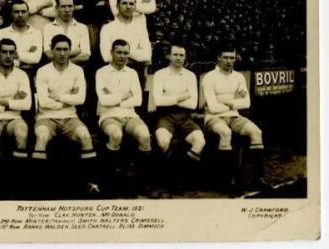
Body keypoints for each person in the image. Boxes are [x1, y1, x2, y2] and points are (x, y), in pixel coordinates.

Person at [33, 34, 99, 195]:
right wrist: (69, 99)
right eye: (58, 49)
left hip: (70, 117)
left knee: (85, 135)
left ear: (70, 51)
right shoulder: (43, 71)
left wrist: (58, 97)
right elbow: (43, 101)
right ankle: (36, 182)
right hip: (46, 117)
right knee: (41, 136)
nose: (62, 53)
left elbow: (81, 98)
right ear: (52, 51)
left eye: (65, 49)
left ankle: (91, 181)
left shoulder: (77, 71)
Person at [201, 43, 268, 194]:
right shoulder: (209, 77)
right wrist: (234, 103)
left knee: (256, 132)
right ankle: (228, 181)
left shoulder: (239, 77)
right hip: (213, 118)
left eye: (232, 57)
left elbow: (247, 103)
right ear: (218, 57)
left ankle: (259, 179)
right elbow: (212, 107)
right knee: (225, 133)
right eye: (225, 57)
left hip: (234, 117)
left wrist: (225, 101)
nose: (229, 61)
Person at [95, 39, 153, 196]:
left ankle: (142, 183)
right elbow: (104, 101)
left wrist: (114, 97)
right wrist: (125, 95)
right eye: (119, 52)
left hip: (130, 115)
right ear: (111, 53)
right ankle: (110, 181)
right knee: (115, 135)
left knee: (145, 135)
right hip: (108, 115)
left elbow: (138, 100)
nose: (122, 56)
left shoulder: (133, 73)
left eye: (125, 53)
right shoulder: (101, 72)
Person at [152, 43, 206, 188]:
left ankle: (182, 175)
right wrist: (182, 97)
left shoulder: (190, 76)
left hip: (185, 117)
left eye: (181, 55)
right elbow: (158, 101)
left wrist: (169, 97)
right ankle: (166, 178)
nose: (178, 58)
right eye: (175, 54)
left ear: (185, 57)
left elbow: (193, 104)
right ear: (168, 56)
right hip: (165, 116)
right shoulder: (160, 74)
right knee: (163, 142)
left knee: (199, 142)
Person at [0, 38, 32, 159]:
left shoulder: (22, 75)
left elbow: (26, 105)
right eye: (4, 52)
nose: (8, 56)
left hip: (15, 118)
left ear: (15, 54)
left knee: (22, 133)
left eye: (11, 52)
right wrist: (13, 101)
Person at [100, 0, 151, 65]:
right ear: (117, 6)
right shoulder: (107, 28)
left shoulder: (140, 28)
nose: (128, 7)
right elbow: (106, 57)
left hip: (136, 70)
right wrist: (136, 53)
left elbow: (146, 55)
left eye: (131, 4)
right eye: (124, 3)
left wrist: (118, 52)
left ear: (135, 7)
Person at [42, 0, 91, 65]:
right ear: (57, 8)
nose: (67, 10)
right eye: (63, 6)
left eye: (70, 6)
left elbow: (85, 56)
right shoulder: (48, 28)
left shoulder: (82, 28)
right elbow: (49, 54)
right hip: (53, 70)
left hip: (75, 70)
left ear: (74, 7)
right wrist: (77, 51)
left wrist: (65, 63)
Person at [0, 0, 42, 72]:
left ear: (28, 13)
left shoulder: (36, 33)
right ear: (11, 14)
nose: (20, 15)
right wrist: (26, 57)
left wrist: (14, 55)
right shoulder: (2, 33)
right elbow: (0, 59)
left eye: (23, 12)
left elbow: (36, 58)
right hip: (7, 73)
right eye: (16, 12)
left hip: (29, 74)